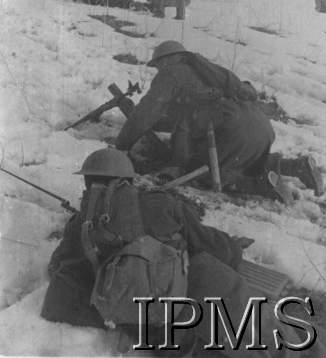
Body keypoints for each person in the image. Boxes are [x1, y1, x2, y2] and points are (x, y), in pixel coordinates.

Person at [41, 148, 326, 357]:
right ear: (129, 180)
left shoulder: (82, 225)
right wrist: (231, 246)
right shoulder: (160, 203)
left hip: (158, 325)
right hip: (198, 290)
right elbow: (212, 246)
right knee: (279, 336)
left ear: (87, 183)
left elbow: (57, 268)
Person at [115, 41, 323, 202]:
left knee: (198, 171)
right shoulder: (206, 71)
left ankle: (258, 186)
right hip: (258, 124)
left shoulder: (171, 73)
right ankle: (297, 166)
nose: (158, 70)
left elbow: (145, 112)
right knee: (241, 160)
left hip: (230, 129)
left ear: (166, 60)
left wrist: (122, 144)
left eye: (158, 65)